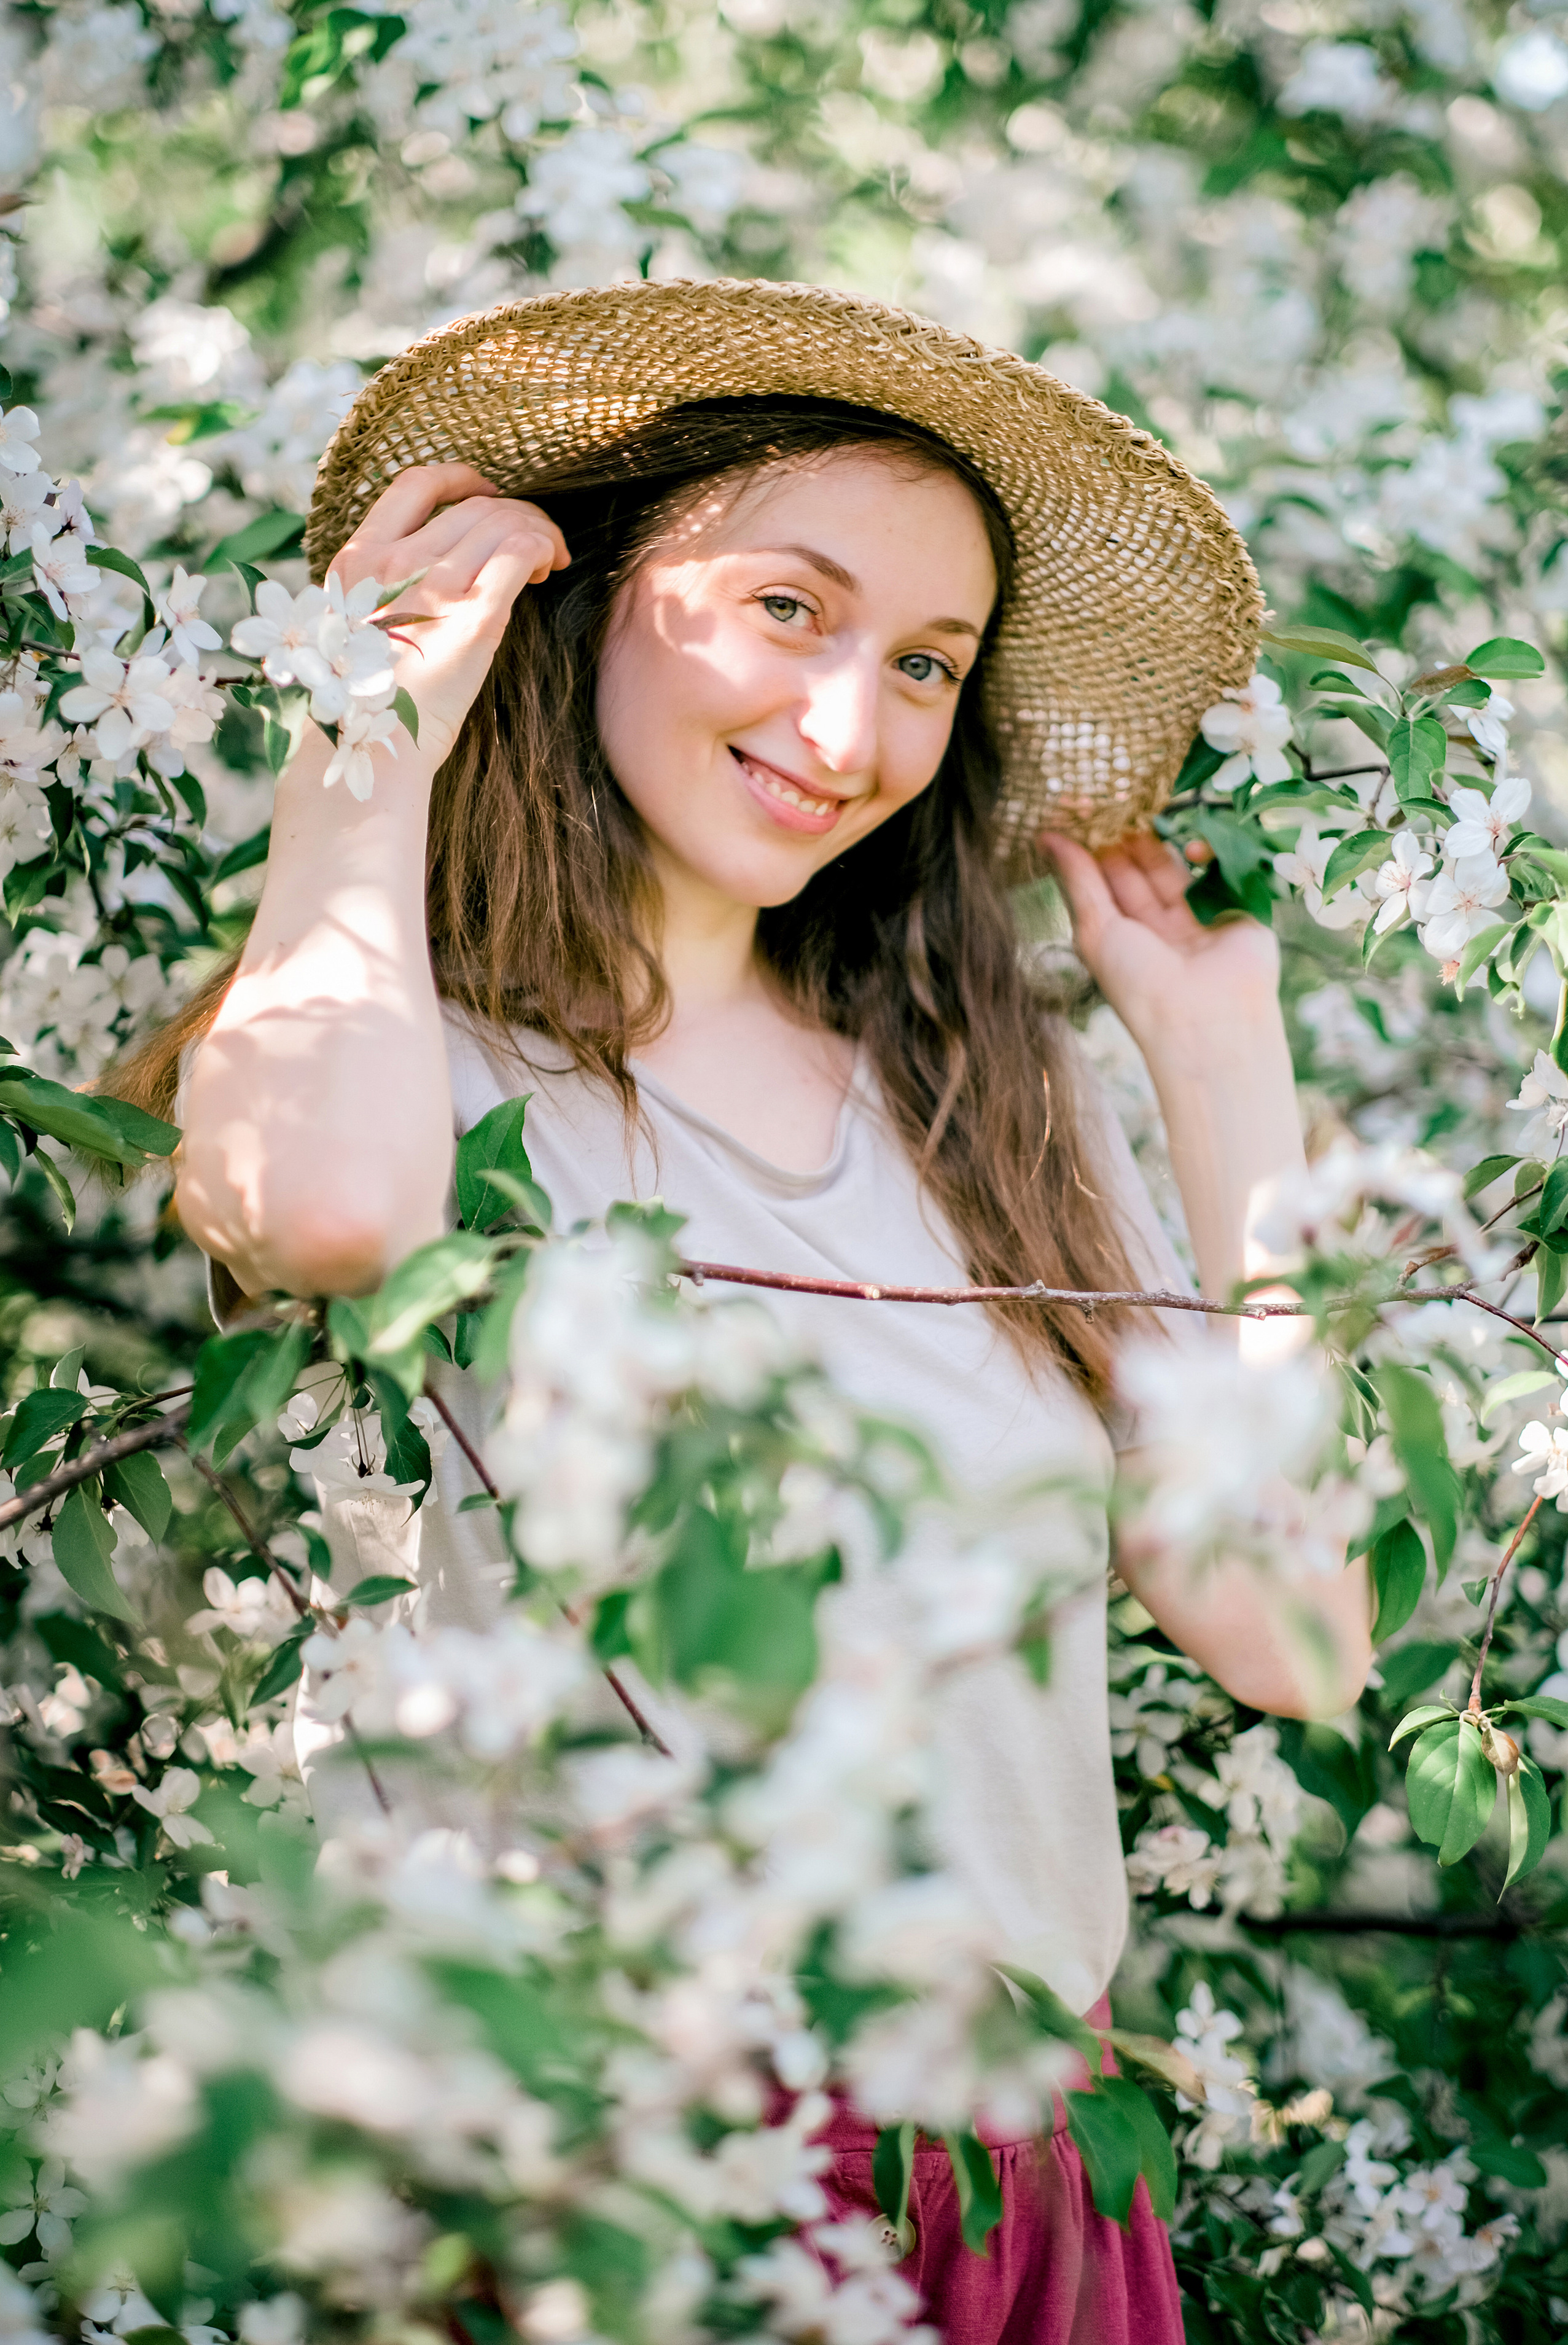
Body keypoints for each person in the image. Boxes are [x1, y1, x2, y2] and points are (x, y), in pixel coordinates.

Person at [139, 283, 1371, 2344]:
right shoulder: (407, 1058)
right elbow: (329, 1213)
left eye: (921, 666)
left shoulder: (985, 1100)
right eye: (789, 609)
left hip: (1012, 2179)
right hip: (599, 2167)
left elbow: (1300, 1634)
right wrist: (366, 738)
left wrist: (1225, 1074)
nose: (851, 730)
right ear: (599, 589)